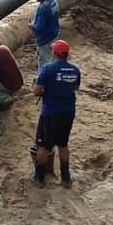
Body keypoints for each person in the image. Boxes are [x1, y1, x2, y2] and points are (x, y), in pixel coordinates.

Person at [31, 39, 81, 187]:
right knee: (63, 145)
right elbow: (75, 87)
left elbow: (36, 92)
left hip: (50, 114)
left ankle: (40, 179)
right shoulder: (75, 69)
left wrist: (40, 87)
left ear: (54, 53)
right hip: (68, 112)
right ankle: (66, 178)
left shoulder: (47, 69)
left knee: (44, 147)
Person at [29, 0, 60, 72]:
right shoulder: (53, 2)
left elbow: (39, 28)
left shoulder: (43, 8)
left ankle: (44, 79)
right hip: (54, 35)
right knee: (52, 59)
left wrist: (31, 26)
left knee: (44, 63)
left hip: (45, 40)